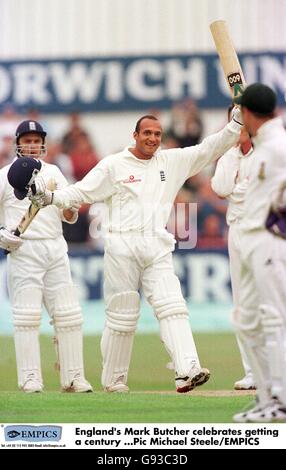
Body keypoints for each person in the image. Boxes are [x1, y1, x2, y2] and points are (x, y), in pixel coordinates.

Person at [28, 110, 243, 394]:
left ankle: (187, 369)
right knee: (122, 316)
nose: (152, 138)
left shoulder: (171, 161)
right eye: (147, 133)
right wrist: (51, 198)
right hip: (121, 246)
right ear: (135, 135)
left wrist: (236, 124)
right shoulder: (114, 165)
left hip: (157, 244)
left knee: (173, 306)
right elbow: (81, 192)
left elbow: (209, 148)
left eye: (157, 134)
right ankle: (113, 380)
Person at [0, 120, 92, 393]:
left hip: (55, 248)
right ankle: (30, 379)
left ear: (43, 143)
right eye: (26, 140)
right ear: (18, 143)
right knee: (27, 317)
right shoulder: (4, 175)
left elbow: (69, 211)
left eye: (36, 140)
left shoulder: (55, 173)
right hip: (24, 250)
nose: (32, 145)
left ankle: (73, 377)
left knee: (69, 315)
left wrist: (69, 209)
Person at [228, 83, 286, 422]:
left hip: (268, 240)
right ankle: (267, 399)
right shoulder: (265, 145)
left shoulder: (279, 144)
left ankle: (281, 397)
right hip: (248, 240)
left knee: (275, 317)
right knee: (247, 321)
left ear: (247, 113)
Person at [211, 116, 256, 390]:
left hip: (266, 230)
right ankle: (252, 372)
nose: (237, 128)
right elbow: (220, 188)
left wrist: (239, 191)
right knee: (242, 304)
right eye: (233, 122)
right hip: (237, 230)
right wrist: (232, 151)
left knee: (272, 302)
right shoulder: (229, 155)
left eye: (241, 121)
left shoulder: (269, 151)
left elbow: (263, 192)